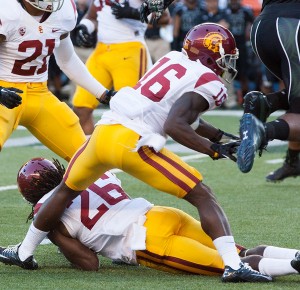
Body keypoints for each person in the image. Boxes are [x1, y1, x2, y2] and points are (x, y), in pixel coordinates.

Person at [0, 23, 272, 283]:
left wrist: (220, 137)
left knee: (64, 192)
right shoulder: (210, 82)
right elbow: (175, 124)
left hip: (102, 134)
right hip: (131, 141)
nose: (228, 64)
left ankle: (24, 251)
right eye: (226, 57)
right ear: (212, 55)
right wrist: (214, 150)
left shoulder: (172, 59)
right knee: (203, 195)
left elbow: (175, 113)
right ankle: (234, 265)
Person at [1, 157, 300, 278]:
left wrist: (54, 233)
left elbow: (89, 263)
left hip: (148, 241)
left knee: (231, 266)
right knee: (238, 252)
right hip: (162, 214)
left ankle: (293, 266)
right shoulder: (91, 174)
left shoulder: (50, 216)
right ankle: (294, 255)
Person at [0, 0, 113, 162]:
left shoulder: (64, 11)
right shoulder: (6, 11)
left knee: (88, 159)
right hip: (4, 94)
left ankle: (110, 188)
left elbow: (67, 60)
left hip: (40, 94)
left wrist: (103, 93)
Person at [234, 2, 300, 173]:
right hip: (292, 27)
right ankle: (262, 131)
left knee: (296, 98)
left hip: (262, 27)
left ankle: (265, 103)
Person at [71, 0, 154, 135]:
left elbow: (163, 17)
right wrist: (84, 27)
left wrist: (134, 13)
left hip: (129, 50)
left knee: (130, 112)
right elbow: (92, 16)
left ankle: (131, 153)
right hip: (101, 51)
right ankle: (90, 152)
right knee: (81, 108)